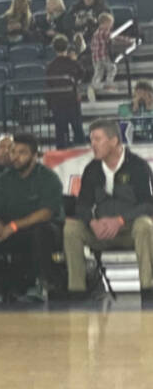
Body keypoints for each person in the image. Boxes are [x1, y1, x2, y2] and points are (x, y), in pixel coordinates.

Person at [0, 134, 62, 302]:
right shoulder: (2, 180)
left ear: (34, 156)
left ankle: (40, 284)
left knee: (41, 232)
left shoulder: (48, 178)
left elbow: (46, 213)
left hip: (37, 229)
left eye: (22, 152)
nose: (15, 157)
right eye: (13, 152)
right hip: (7, 231)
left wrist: (14, 226)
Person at [64, 120, 153, 300]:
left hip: (130, 231)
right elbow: (82, 205)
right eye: (91, 140)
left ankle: (148, 290)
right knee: (71, 228)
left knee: (145, 225)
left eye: (97, 139)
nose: (93, 145)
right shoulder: (92, 169)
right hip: (101, 232)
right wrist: (92, 222)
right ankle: (77, 291)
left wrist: (119, 220)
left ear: (113, 141)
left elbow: (148, 204)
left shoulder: (138, 166)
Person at [45, 35, 86, 148]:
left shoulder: (50, 66)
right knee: (77, 127)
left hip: (57, 102)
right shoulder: (72, 63)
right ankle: (82, 151)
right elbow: (82, 74)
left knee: (61, 129)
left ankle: (61, 152)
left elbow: (49, 85)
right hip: (72, 99)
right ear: (67, 47)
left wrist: (49, 104)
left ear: (54, 48)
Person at [90, 12, 126, 94]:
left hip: (95, 57)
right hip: (103, 56)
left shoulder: (96, 33)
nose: (111, 26)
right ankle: (108, 84)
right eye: (110, 24)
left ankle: (94, 86)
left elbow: (92, 45)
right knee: (112, 68)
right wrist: (128, 40)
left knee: (99, 72)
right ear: (105, 23)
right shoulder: (104, 32)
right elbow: (115, 37)